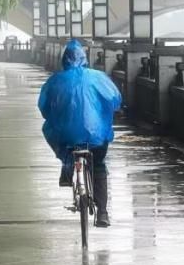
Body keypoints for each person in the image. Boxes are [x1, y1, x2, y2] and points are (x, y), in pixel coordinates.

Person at [38, 39, 122, 227]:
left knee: (62, 141)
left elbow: (43, 108)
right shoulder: (98, 77)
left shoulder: (56, 80)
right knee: (98, 164)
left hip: (67, 137)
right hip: (96, 137)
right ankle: (102, 212)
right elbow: (116, 99)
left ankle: (68, 168)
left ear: (65, 60)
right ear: (85, 59)